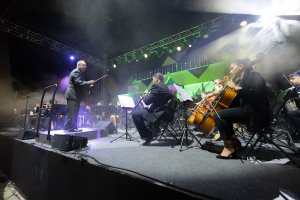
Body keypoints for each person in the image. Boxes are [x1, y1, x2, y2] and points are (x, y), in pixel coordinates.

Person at [213, 58, 270, 159]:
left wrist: (235, 87)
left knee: (219, 116)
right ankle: (233, 142)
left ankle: (230, 146)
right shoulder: (242, 81)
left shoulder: (254, 76)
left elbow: (254, 96)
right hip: (248, 110)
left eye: (232, 68)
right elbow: (238, 100)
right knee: (220, 115)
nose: (230, 71)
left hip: (256, 113)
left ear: (240, 67)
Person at [132, 73, 173, 146]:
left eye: (153, 79)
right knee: (144, 112)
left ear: (157, 79)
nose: (153, 81)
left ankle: (147, 135)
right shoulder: (164, 87)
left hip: (158, 113)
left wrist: (146, 94)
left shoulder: (156, 86)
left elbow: (146, 102)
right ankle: (153, 131)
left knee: (135, 114)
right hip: (166, 113)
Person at [64, 60, 95, 132]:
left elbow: (79, 85)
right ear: (79, 65)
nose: (85, 67)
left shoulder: (77, 72)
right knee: (74, 112)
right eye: (83, 65)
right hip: (73, 96)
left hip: (73, 95)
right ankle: (73, 128)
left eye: (85, 65)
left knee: (71, 112)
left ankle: (68, 127)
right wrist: (89, 82)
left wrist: (89, 85)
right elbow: (79, 82)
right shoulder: (76, 72)